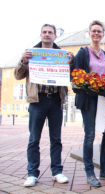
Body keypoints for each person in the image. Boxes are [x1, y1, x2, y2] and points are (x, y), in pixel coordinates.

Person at [14, 24, 72, 187]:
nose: (47, 35)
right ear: (40, 35)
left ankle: (57, 172)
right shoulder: (31, 53)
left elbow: (71, 76)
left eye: (50, 32)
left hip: (55, 100)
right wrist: (23, 61)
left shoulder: (62, 54)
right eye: (44, 32)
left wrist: (71, 62)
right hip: (37, 101)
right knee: (34, 139)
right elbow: (17, 75)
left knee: (56, 139)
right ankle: (32, 173)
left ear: (55, 36)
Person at [73, 20, 105, 187]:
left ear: (103, 34)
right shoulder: (82, 52)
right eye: (93, 31)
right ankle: (90, 173)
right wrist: (87, 85)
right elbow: (76, 76)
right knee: (90, 135)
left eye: (99, 31)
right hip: (89, 99)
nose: (96, 34)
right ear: (89, 33)